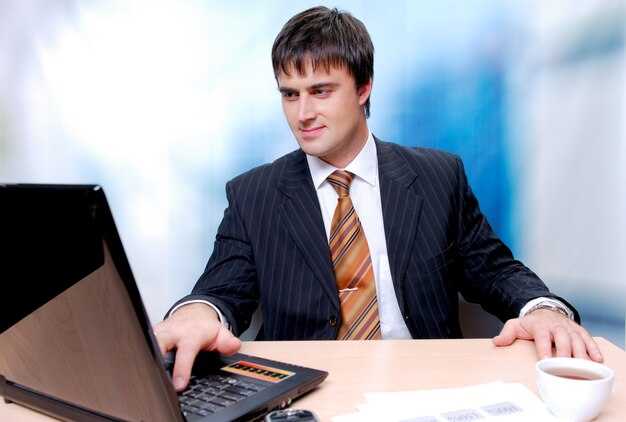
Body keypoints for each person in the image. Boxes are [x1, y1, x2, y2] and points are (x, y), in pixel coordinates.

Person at [154, 6, 603, 392]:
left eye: (321, 91)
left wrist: (544, 309)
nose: (303, 113)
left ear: (364, 86)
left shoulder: (439, 177)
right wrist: (195, 313)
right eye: (290, 95)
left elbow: (496, 270)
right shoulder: (252, 194)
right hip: (305, 393)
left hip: (429, 388)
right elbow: (217, 292)